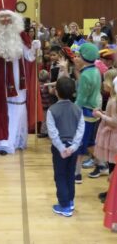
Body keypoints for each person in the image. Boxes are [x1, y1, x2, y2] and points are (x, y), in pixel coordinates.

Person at [0, 0, 43, 155]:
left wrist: (34, 48)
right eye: (3, 18)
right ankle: (3, 143)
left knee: (17, 108)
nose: (6, 21)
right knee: (3, 109)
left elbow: (30, 57)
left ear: (14, 18)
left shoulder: (21, 34)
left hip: (17, 77)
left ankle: (16, 141)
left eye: (9, 17)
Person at [47, 77, 85, 217]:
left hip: (59, 150)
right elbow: (81, 130)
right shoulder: (78, 109)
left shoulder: (52, 110)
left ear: (56, 92)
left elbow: (53, 132)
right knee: (70, 175)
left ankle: (64, 206)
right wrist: (73, 147)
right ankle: (70, 200)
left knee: (60, 176)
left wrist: (62, 148)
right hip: (73, 149)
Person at [74, 43, 101, 184]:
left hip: (85, 113)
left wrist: (72, 110)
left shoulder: (85, 75)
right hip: (95, 111)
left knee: (80, 143)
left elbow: (81, 98)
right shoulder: (96, 71)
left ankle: (77, 174)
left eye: (79, 55)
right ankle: (101, 164)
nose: (77, 57)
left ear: (84, 57)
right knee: (90, 142)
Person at [92, 70, 117, 202]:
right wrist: (102, 112)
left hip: (114, 137)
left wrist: (101, 115)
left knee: (113, 166)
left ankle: (113, 195)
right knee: (111, 165)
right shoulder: (112, 99)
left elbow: (115, 122)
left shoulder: (115, 101)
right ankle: (111, 192)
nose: (103, 83)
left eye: (105, 80)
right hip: (110, 135)